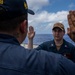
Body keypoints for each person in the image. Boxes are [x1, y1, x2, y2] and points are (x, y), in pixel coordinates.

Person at [0, 0, 75, 75]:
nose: (57, 33)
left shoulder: (71, 47)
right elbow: (29, 56)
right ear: (24, 26)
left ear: (64, 32)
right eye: (55, 31)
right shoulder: (48, 48)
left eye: (59, 31)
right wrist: (30, 40)